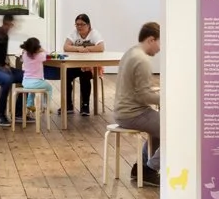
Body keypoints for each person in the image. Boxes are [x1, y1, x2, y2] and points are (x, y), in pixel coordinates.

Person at [113, 21, 161, 184]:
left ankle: (141, 167)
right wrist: (168, 98)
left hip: (122, 111)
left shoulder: (130, 52)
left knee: (161, 128)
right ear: (152, 40)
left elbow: (137, 89)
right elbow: (144, 96)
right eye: (160, 43)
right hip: (133, 113)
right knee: (174, 130)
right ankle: (149, 169)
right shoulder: (142, 60)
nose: (160, 49)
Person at [62, 13, 104, 116]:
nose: (79, 27)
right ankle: (68, 105)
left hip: (90, 66)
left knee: (85, 76)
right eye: (77, 24)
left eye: (82, 24)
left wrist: (86, 49)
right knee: (65, 74)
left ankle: (85, 106)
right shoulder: (74, 33)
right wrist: (78, 49)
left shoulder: (94, 33)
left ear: (88, 25)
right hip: (75, 65)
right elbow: (66, 47)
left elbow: (101, 47)